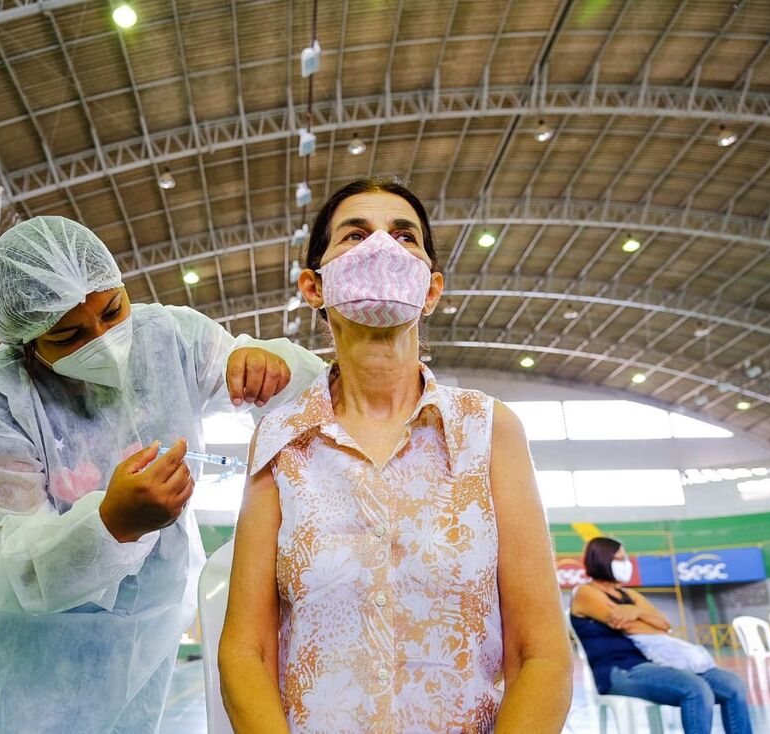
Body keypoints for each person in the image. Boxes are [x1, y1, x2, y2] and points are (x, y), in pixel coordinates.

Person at [0, 216, 324, 734]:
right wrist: (111, 524)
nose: (104, 339)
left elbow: (306, 388)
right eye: (68, 335)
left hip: (140, 650)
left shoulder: (168, 339)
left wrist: (266, 364)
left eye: (112, 310)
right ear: (27, 343)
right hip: (23, 670)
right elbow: (11, 564)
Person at [218, 178, 573, 733]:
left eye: (405, 236)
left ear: (430, 290)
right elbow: (247, 653)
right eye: (355, 235)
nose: (382, 246)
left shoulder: (488, 430)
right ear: (314, 286)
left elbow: (540, 654)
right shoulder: (280, 439)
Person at [570, 537, 753, 734]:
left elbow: (664, 625)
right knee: (696, 688)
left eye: (625, 558)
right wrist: (644, 619)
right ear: (601, 559)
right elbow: (630, 627)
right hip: (619, 671)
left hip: (653, 665)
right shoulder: (585, 593)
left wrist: (637, 612)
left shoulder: (629, 595)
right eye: (619, 559)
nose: (625, 564)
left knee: (733, 685)